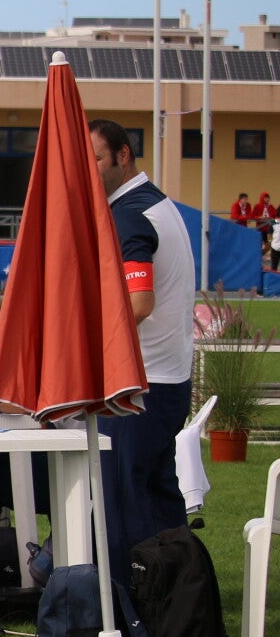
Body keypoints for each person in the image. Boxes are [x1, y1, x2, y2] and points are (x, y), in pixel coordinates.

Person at [88, 118, 195, 569]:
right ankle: (181, 592)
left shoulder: (130, 213)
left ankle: (128, 598)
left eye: (95, 159)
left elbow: (138, 303)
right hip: (167, 378)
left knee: (120, 501)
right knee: (160, 502)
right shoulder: (158, 203)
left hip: (139, 383)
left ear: (123, 155)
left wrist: (84, 343)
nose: (88, 171)